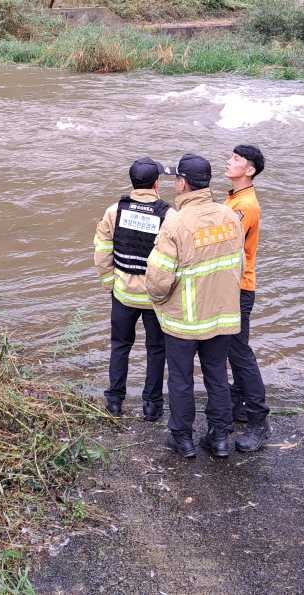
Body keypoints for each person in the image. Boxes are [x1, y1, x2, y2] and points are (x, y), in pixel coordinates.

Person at [145, 154, 244, 459]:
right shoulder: (230, 216)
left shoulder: (176, 222)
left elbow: (159, 278)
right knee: (217, 376)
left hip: (185, 320)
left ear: (183, 183)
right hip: (223, 316)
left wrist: (159, 302)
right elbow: (237, 266)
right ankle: (219, 438)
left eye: (177, 179)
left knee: (181, 379)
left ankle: (182, 438)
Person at [93, 157, 174, 420]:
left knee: (120, 346)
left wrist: (110, 283)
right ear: (156, 183)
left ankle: (114, 401)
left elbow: (102, 251)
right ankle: (152, 406)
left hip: (123, 294)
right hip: (155, 297)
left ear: (132, 182)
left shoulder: (114, 211)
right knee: (156, 349)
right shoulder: (169, 215)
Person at [222, 144, 270, 453]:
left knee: (239, 352)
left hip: (239, 287)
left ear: (249, 170)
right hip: (233, 284)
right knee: (233, 348)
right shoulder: (234, 198)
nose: (230, 162)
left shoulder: (246, 206)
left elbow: (222, 239)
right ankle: (239, 403)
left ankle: (258, 420)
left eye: (237, 159)